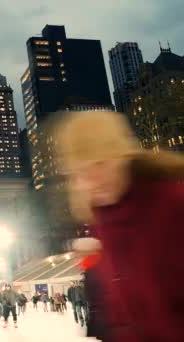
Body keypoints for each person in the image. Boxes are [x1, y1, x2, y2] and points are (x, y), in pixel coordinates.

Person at [56, 110, 184, 341]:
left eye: (101, 163)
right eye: (80, 171)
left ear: (124, 157)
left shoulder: (173, 203)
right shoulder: (102, 222)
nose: (92, 178)